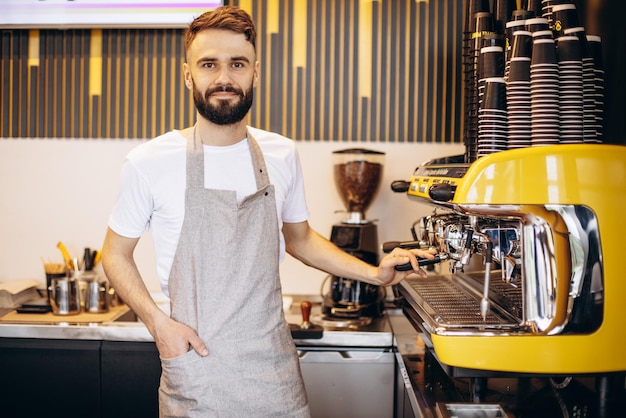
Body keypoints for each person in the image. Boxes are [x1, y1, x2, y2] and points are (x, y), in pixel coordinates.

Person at [102, 5, 435, 417]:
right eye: (209, 64)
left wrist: (374, 274)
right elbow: (114, 255)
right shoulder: (149, 161)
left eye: (237, 64)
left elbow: (300, 239)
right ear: (188, 74)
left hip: (274, 376)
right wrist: (158, 325)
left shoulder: (280, 153)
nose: (224, 78)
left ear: (255, 72)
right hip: (195, 371)